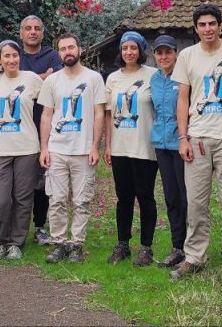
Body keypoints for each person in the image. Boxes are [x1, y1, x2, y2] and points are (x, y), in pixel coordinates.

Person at [170, 4, 222, 287]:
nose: (208, 29)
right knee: (196, 203)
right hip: (198, 137)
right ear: (196, 28)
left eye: (212, 23)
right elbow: (183, 98)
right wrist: (183, 137)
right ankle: (194, 257)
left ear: (220, 25)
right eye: (202, 24)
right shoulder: (187, 56)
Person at [38, 32, 106, 263]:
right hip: (57, 149)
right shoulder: (52, 81)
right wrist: (44, 148)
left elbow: (99, 113)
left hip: (83, 150)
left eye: (71, 47)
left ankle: (76, 244)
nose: (67, 52)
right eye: (63, 49)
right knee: (56, 200)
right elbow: (46, 115)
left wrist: (95, 146)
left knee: (81, 200)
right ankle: (58, 243)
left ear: (80, 49)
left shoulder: (93, 78)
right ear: (59, 53)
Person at [0, 40, 44, 260]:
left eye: (15, 55)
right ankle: (0, 241)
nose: (11, 60)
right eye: (6, 56)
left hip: (27, 147)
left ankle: (16, 243)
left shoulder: (32, 79)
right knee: (1, 200)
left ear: (20, 57)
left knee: (22, 198)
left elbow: (51, 100)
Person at [104, 31, 159, 266]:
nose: (129, 52)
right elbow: (108, 115)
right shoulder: (112, 79)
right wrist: (108, 145)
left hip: (145, 146)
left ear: (141, 50)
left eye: (133, 48)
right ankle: (123, 244)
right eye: (125, 48)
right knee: (124, 198)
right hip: (120, 147)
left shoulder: (153, 75)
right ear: (120, 50)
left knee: (145, 197)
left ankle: (146, 247)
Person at [18, 15, 63, 245]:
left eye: (37, 28)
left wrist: (27, 80)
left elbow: (56, 81)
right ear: (21, 33)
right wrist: (42, 77)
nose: (33, 32)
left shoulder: (52, 55)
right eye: (28, 28)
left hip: (46, 125)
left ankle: (39, 226)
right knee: (20, 181)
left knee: (43, 181)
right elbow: (9, 82)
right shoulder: (15, 55)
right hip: (19, 128)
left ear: (43, 33)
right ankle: (17, 226)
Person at [149, 34, 188, 268]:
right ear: (154, 55)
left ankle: (193, 248)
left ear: (175, 53)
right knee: (171, 197)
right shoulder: (153, 79)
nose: (164, 57)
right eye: (159, 52)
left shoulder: (184, 76)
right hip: (161, 145)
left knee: (186, 197)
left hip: (181, 144)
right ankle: (177, 247)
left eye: (168, 52)